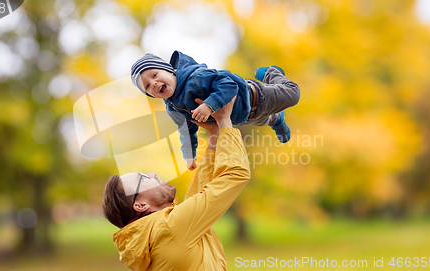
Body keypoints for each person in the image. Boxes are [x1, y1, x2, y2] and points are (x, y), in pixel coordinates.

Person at [102, 96, 250, 271]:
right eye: (143, 178)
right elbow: (235, 174)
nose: (153, 174)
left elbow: (199, 194)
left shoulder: (155, 235)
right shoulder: (170, 227)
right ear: (141, 205)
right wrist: (225, 121)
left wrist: (215, 136)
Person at [130, 51, 300, 171]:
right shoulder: (173, 108)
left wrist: (209, 105)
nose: (153, 83)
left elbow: (228, 84)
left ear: (168, 70)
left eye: (154, 75)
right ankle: (278, 121)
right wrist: (189, 155)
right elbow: (186, 130)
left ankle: (271, 73)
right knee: (268, 119)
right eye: (146, 86)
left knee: (293, 95)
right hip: (245, 117)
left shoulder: (196, 77)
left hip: (256, 96)